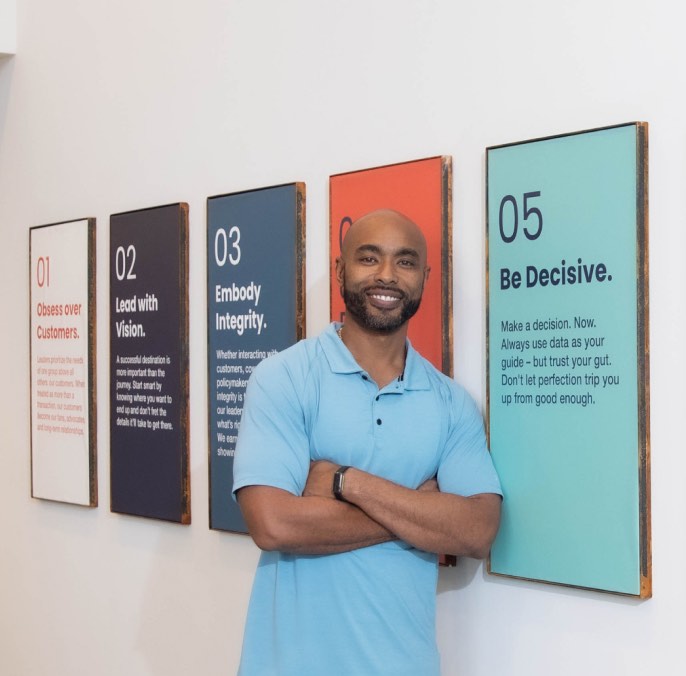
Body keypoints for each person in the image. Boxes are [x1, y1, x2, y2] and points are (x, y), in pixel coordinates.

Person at [233, 208, 502, 676]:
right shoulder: (284, 378)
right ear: (341, 270)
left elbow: (476, 530)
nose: (386, 276)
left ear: (424, 276)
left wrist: (347, 482)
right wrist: (418, 511)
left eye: (405, 261)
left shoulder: (451, 403)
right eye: (369, 258)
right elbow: (273, 524)